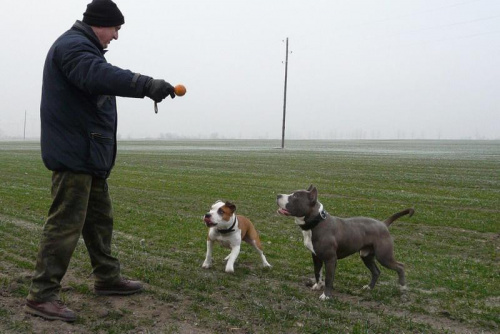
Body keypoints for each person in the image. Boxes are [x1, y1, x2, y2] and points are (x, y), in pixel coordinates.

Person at [25, 0, 174, 322]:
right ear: (101, 24)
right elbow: (97, 75)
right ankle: (41, 295)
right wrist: (145, 84)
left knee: (98, 221)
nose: (117, 36)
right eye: (116, 28)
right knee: (65, 225)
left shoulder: (81, 47)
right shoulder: (74, 48)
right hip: (75, 154)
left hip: (88, 155)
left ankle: (107, 277)